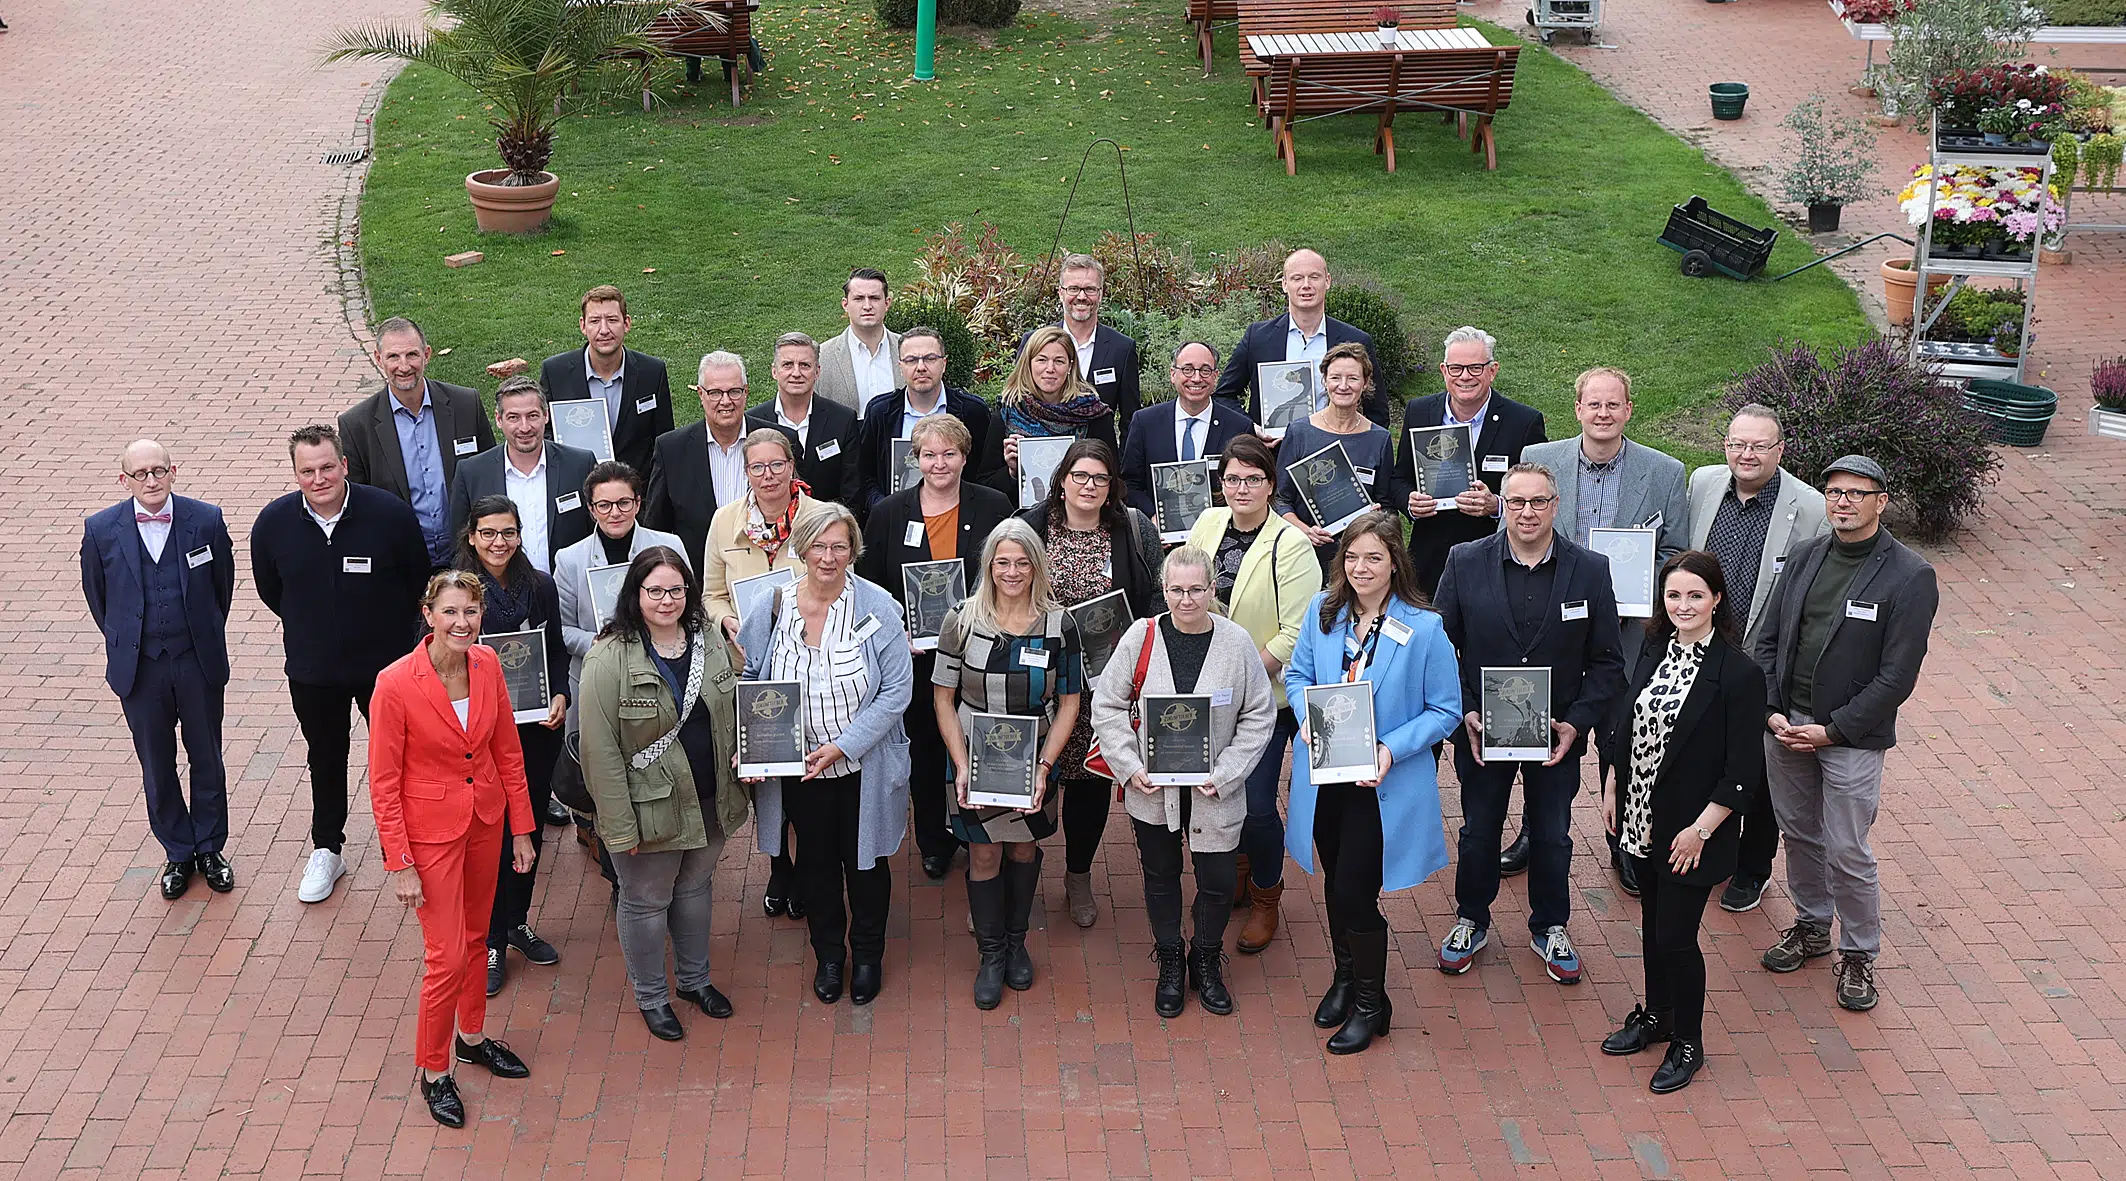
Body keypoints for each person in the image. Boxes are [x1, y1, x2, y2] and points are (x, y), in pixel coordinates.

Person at [1753, 456, 1936, 1014]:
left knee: (1847, 848)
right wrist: (1772, 710)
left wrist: (1833, 731)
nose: (1844, 502)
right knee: (1798, 833)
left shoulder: (1910, 576)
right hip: (1788, 726)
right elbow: (1768, 640)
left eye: (1858, 493)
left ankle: (1858, 953)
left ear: (1882, 501)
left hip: (1850, 737)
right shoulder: (1806, 556)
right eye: (1834, 492)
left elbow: (1897, 677)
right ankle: (1812, 926)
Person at [1434, 463, 1626, 985]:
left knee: (1552, 834)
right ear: (1503, 505)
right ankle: (1471, 919)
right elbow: (1440, 650)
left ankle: (1550, 926)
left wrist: (1576, 723)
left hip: (1556, 734)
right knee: (1478, 831)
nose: (1527, 512)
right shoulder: (1465, 560)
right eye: (1516, 502)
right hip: (1482, 732)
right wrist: (1465, 711)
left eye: (1538, 502)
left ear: (1555, 505)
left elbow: (1608, 661)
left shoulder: (1590, 569)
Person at [1283, 513, 1462, 1053]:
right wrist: (1308, 718)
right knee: (1335, 882)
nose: (1361, 568)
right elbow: (1297, 676)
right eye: (1352, 557)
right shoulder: (1323, 610)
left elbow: (1445, 711)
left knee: (1356, 892)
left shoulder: (1424, 628)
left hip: (1380, 786)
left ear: (1395, 563)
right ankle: (1345, 977)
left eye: (1374, 558)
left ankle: (1371, 1003)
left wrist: (1390, 749)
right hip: (1326, 777)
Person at [366, 571, 537, 1128]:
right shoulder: (394, 683)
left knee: (477, 938)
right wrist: (400, 863)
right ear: (429, 615)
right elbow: (384, 782)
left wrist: (521, 828)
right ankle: (434, 1069)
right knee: (446, 958)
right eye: (450, 612)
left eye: (471, 612)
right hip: (430, 836)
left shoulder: (487, 664)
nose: (462, 623)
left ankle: (472, 1038)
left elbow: (507, 749)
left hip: (485, 821)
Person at [1598, 551, 1765, 1094]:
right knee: (1652, 925)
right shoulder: (1654, 649)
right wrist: (1613, 784)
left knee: (1676, 937)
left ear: (1717, 599)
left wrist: (1701, 831)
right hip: (1642, 817)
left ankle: (1688, 1042)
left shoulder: (1739, 674)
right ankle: (1658, 1016)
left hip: (1694, 831)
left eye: (1695, 595)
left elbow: (1742, 772)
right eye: (1673, 595)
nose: (1683, 605)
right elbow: (1629, 722)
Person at [1518, 367, 1687, 895]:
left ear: (1629, 410)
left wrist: (1635, 585)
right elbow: (1518, 533)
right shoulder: (1540, 461)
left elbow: (1675, 553)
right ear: (1578, 409)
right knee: (1542, 736)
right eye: (1594, 404)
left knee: (1625, 740)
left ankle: (1626, 842)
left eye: (1613, 405)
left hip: (1625, 635)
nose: (1603, 414)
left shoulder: (1665, 472)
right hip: (1552, 633)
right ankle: (1532, 832)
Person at [738, 504, 915, 1007]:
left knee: (866, 865)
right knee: (814, 865)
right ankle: (829, 956)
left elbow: (896, 692)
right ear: (802, 548)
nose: (829, 556)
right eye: (819, 545)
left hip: (863, 765)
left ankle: (868, 956)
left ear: (853, 550)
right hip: (799, 771)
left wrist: (844, 745)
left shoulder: (878, 608)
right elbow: (751, 677)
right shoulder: (772, 607)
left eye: (840, 546)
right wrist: (751, 745)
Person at [1090, 546, 1276, 1017]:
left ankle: (1206, 958)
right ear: (1164, 589)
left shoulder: (1236, 643)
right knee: (1160, 877)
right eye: (1176, 590)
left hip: (1216, 791)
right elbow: (1107, 705)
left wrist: (1228, 772)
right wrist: (1130, 766)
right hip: (1153, 790)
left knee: (1217, 882)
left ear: (1213, 589)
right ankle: (1171, 958)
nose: (1186, 600)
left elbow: (1259, 715)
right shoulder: (1141, 636)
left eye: (1196, 589)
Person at [252, 424, 430, 904]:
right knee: (325, 757)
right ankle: (328, 848)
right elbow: (272, 590)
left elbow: (417, 580)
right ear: (295, 474)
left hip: (385, 669)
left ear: (344, 465)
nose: (319, 479)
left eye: (327, 467)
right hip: (314, 670)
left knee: (401, 757)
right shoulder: (273, 524)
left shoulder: (388, 514)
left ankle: (412, 845)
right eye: (307, 471)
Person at [578, 548, 750, 1041]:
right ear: (635, 594)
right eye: (654, 590)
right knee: (646, 902)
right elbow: (600, 753)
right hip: (648, 809)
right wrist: (618, 828)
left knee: (695, 889)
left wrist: (750, 753)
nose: (667, 600)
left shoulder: (709, 640)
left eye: (676, 589)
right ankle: (652, 996)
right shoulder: (608, 658)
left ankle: (694, 981)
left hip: (711, 798)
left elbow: (735, 705)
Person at [932, 520, 1086, 1009]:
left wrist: (1043, 766)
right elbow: (943, 698)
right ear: (989, 566)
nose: (1012, 572)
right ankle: (991, 953)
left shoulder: (1059, 625)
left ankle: (1017, 942)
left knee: (1022, 850)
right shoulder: (961, 619)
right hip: (974, 758)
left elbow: (1069, 702)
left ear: (1036, 566)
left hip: (1033, 758)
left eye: (1022, 562)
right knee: (983, 855)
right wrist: (961, 764)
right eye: (1002, 562)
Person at [1012, 439, 1164, 927]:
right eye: (1080, 475)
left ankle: (1078, 874)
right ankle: (1016, 878)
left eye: (1100, 478)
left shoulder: (1132, 528)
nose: (1089, 486)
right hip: (1038, 677)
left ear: (1112, 485)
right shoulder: (1029, 526)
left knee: (1090, 781)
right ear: (1061, 480)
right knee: (1030, 773)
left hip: (1104, 683)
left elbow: (1153, 598)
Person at [1686, 404, 1828, 914]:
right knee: (1706, 755)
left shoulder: (1810, 507)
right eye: (1738, 444)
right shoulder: (1702, 484)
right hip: (1704, 650)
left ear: (1780, 450)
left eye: (1759, 446)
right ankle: (1711, 850)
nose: (1746, 455)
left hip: (1764, 659)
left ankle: (1753, 868)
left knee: (1764, 768)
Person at [859, 414, 1014, 881]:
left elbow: (1010, 570)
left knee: (978, 736)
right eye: (929, 454)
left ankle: (980, 828)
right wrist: (894, 633)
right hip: (917, 656)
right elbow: (871, 586)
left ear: (965, 457)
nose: (939, 463)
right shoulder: (889, 513)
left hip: (981, 649)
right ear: (916, 459)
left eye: (949, 453)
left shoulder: (994, 506)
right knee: (925, 747)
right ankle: (933, 838)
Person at [1184, 435, 1322, 953]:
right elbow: (1188, 593)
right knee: (1217, 793)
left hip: (1267, 697)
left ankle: (1267, 894)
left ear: (1271, 484)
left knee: (1258, 804)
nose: (1242, 488)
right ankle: (1236, 874)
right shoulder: (1207, 523)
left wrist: (1237, 675)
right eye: (1232, 479)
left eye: (1253, 479)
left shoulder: (1291, 544)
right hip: (1208, 692)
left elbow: (1296, 632)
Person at [81, 440, 237, 900]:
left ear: (173, 472)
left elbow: (221, 589)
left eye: (158, 471)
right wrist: (132, 640)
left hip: (196, 660)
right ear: (124, 480)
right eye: (140, 474)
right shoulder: (100, 529)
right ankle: (178, 850)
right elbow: (99, 597)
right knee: (156, 761)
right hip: (141, 667)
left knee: (206, 755)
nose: (151, 481)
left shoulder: (205, 520)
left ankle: (210, 846)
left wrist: (200, 633)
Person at [698, 426, 819, 917]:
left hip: (807, 667)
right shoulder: (725, 521)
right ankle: (778, 866)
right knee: (766, 778)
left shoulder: (819, 518)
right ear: (746, 472)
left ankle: (808, 867)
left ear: (792, 467)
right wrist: (727, 621)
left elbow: (842, 585)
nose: (768, 476)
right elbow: (710, 593)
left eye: (777, 465)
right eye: (757, 467)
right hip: (747, 670)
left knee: (805, 774)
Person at [453, 497, 569, 996]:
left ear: (520, 535)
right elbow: (438, 657)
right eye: (488, 533)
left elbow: (556, 647)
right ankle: (492, 940)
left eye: (508, 532)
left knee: (529, 828)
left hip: (535, 730)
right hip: (481, 735)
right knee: (492, 839)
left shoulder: (539, 585)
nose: (498, 542)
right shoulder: (457, 590)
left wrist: (560, 693)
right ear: (472, 536)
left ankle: (518, 920)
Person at [1393, 326, 1547, 595]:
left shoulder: (1523, 422)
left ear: (1493, 370)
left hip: (1495, 560)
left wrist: (1496, 505)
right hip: (1428, 559)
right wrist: (1410, 502)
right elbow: (1398, 478)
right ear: (1444, 371)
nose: (1465, 376)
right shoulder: (1419, 412)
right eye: (1456, 368)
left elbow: (1540, 493)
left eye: (1475, 368)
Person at [339, 316, 495, 569]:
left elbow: (491, 474)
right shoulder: (356, 425)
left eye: (411, 354)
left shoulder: (466, 405)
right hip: (400, 562)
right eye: (393, 357)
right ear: (379, 359)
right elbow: (358, 504)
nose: (404, 366)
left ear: (427, 354)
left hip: (468, 557)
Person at [646, 351, 798, 575]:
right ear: (701, 394)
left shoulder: (781, 441)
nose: (725, 401)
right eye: (715, 392)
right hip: (697, 581)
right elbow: (656, 529)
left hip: (771, 576)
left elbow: (800, 508)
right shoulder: (671, 450)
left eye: (734, 391)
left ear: (746, 392)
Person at [1273, 343, 1411, 573]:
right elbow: (1280, 499)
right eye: (1335, 377)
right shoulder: (1299, 432)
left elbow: (1386, 504)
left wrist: (1379, 519)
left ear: (1365, 383)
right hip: (1304, 553)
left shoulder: (1379, 439)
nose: (1343, 386)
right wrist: (1304, 530)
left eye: (1353, 378)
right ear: (1324, 381)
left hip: (1359, 562)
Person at [1213, 249, 1385, 427]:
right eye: (1297, 278)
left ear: (1327, 281)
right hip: (1271, 444)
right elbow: (1224, 396)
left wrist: (1353, 438)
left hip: (1334, 442)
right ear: (1284, 284)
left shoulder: (1355, 340)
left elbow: (1378, 413)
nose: (1306, 285)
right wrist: (1252, 431)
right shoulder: (1258, 337)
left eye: (1314, 277)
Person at [446, 375, 597, 577]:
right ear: (499, 420)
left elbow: (597, 532)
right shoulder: (471, 472)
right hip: (498, 591)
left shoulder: (580, 465)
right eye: (513, 417)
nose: (524, 427)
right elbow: (460, 547)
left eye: (532, 416)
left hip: (568, 589)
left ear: (546, 415)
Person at [539, 285, 675, 482]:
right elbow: (544, 433)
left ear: (626, 323)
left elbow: (664, 440)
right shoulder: (555, 372)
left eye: (612, 320)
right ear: (583, 326)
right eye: (595, 321)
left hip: (636, 492)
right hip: (578, 486)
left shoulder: (652, 372)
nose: (604, 330)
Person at [976, 325, 1120, 507]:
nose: (1050, 368)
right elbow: (985, 485)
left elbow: (1114, 480)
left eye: (1059, 361)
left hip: (1082, 516)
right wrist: (1012, 472)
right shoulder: (1008, 414)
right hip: (1020, 519)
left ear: (1070, 366)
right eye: (1042, 360)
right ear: (1028, 364)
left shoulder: (1093, 414)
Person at [857, 326, 994, 510]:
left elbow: (985, 473)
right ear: (900, 367)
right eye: (911, 360)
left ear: (944, 363)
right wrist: (885, 509)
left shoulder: (973, 412)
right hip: (895, 517)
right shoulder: (880, 412)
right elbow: (864, 474)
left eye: (930, 358)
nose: (921, 367)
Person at [1119, 342, 1256, 520]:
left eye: (1205, 370)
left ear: (1215, 376)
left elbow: (1248, 484)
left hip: (1222, 530)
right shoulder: (1145, 422)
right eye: (1188, 370)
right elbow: (1130, 484)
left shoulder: (1239, 427)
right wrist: (1153, 517)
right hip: (1159, 532)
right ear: (1173, 374)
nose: (1196, 378)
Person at [1015, 253, 1142, 442]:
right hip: (1041, 455)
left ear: (1101, 294)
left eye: (1090, 289)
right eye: (1073, 288)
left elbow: (1130, 421)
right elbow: (1016, 404)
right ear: (1061, 292)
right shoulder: (1033, 343)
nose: (1081, 297)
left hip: (1098, 457)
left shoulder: (1122, 349)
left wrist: (1122, 460)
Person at [746, 332, 862, 512]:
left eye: (804, 365)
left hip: (828, 524)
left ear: (817, 372)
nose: (796, 373)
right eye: (787, 365)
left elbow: (852, 492)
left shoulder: (843, 420)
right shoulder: (753, 422)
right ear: (774, 371)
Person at [816, 268, 901, 411]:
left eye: (874, 298)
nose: (867, 306)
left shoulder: (909, 351)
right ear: (845, 305)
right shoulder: (822, 356)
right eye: (858, 299)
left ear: (887, 303)